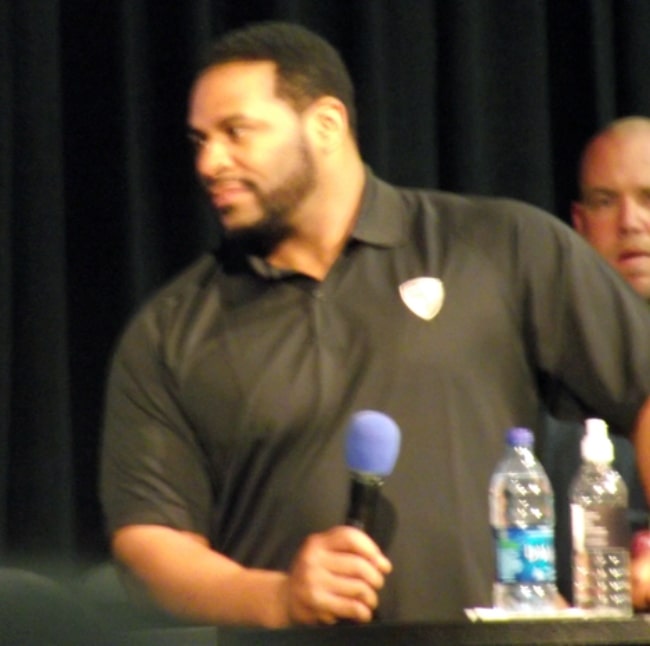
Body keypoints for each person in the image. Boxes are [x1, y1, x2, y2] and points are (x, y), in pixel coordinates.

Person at [99, 21, 650, 628]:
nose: (210, 161)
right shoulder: (172, 331)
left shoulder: (500, 245)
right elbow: (149, 543)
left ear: (327, 125)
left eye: (236, 132)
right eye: (200, 139)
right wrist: (277, 596)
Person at [541, 116, 650, 604]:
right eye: (607, 201)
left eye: (649, 197)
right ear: (580, 225)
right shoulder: (540, 366)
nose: (630, 221)